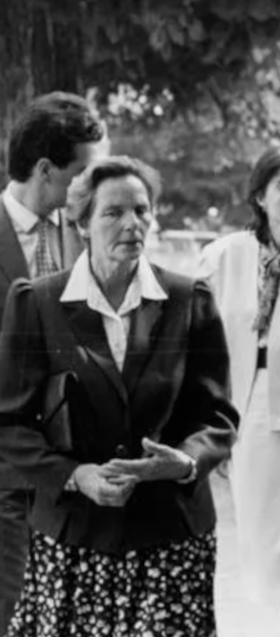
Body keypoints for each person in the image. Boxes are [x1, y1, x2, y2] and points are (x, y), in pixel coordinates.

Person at [0, 155, 238, 636]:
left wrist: (186, 461)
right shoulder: (37, 302)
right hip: (71, 539)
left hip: (171, 537)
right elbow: (9, 424)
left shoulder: (189, 300)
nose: (131, 223)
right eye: (113, 212)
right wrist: (74, 475)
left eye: (141, 210)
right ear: (82, 223)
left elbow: (217, 417)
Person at [199, 146, 280, 637]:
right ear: (260, 195)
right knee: (265, 534)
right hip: (246, 410)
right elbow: (197, 332)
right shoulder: (226, 256)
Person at [0, 91, 108, 635]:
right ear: (46, 169)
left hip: (77, 481)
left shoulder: (85, 234)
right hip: (7, 476)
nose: (91, 189)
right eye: (82, 175)